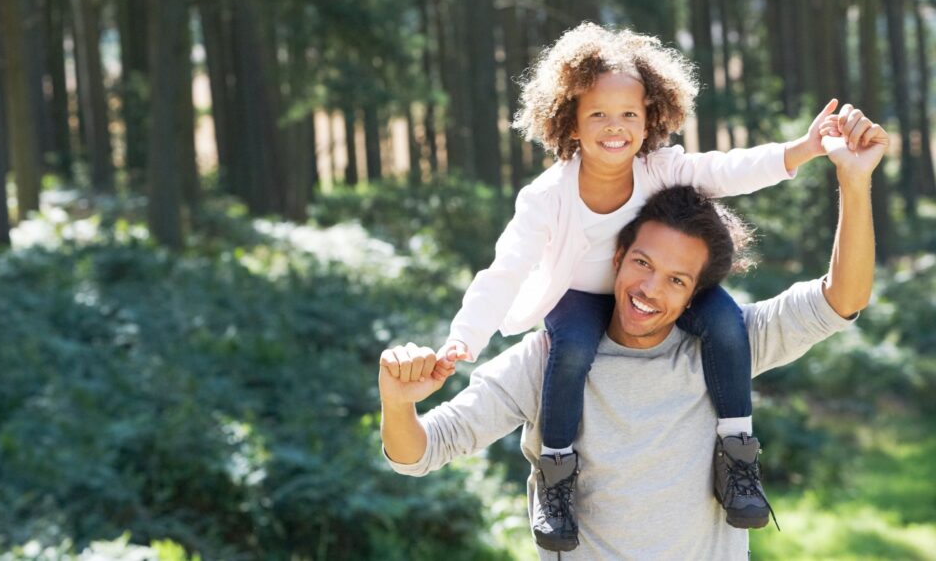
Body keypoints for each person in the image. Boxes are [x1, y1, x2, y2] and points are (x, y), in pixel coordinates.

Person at [379, 108, 887, 559]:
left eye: (676, 280)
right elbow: (420, 452)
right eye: (642, 263)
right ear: (617, 257)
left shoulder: (724, 345)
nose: (649, 289)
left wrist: (854, 182)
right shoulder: (548, 360)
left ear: (695, 296)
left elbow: (842, 299)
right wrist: (399, 404)